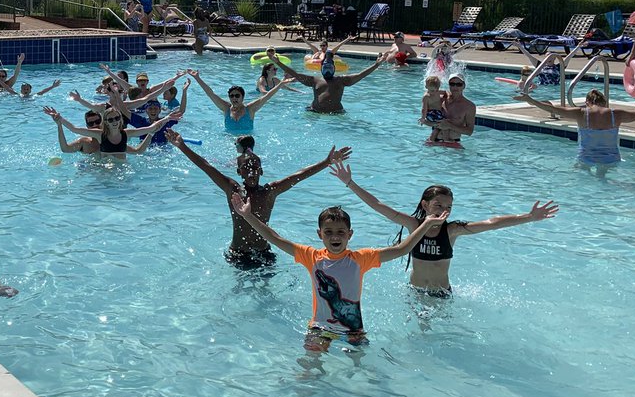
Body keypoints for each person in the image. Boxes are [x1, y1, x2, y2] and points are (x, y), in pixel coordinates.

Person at [229, 195, 447, 351]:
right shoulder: (310, 256)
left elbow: (402, 249)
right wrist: (248, 216)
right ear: (320, 234)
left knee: (361, 376)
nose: (335, 237)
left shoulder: (360, 259)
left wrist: (427, 224)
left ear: (350, 234)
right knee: (308, 369)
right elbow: (275, 239)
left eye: (341, 232)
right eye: (329, 232)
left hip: (354, 331)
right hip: (319, 329)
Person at [330, 158, 560, 293]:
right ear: (425, 204)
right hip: (416, 292)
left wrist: (528, 217)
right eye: (438, 205)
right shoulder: (413, 225)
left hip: (442, 294)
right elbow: (379, 206)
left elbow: (492, 223)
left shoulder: (452, 230)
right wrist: (350, 183)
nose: (443, 210)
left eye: (448, 206)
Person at [168, 131, 351, 269]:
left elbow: (299, 176)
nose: (251, 171)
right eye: (246, 168)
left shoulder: (269, 192)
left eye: (255, 167)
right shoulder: (233, 189)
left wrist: (326, 162)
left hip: (264, 253)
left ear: (261, 171)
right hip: (238, 253)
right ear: (239, 172)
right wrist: (182, 146)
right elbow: (206, 167)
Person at [516, 88, 635, 174]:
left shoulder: (581, 113)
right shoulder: (616, 114)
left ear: (587, 102)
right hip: (611, 159)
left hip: (586, 159)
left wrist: (530, 100)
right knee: (603, 180)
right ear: (604, 102)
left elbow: (553, 110)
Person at [267, 46, 385, 114]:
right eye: (325, 68)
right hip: (315, 112)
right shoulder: (314, 80)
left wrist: (376, 65)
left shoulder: (341, 80)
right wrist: (278, 62)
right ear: (321, 69)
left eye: (330, 68)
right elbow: (295, 74)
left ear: (334, 69)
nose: (328, 71)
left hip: (336, 114)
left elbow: (361, 75)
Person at [58, 105, 178, 157]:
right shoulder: (100, 135)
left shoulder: (126, 133)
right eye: (110, 119)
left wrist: (166, 118)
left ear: (120, 120)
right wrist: (60, 121)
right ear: (106, 122)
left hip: (122, 171)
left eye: (117, 118)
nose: (114, 121)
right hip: (105, 172)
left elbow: (139, 149)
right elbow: (74, 128)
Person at [188, 68, 284, 134]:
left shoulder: (250, 109)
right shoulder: (226, 108)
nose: (234, 98)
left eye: (237, 96)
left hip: (247, 144)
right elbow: (210, 94)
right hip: (229, 142)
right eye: (232, 96)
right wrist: (197, 78)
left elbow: (267, 96)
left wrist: (281, 83)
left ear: (242, 97)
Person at [427, 74, 476, 146]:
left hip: (452, 143)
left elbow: (469, 131)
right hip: (434, 141)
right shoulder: (440, 100)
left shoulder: (469, 106)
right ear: (449, 85)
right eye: (452, 84)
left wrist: (449, 126)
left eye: (458, 84)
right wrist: (435, 124)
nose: (455, 87)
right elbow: (427, 118)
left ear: (464, 86)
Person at [420, 75, 448, 144]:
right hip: (431, 113)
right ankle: (433, 139)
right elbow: (424, 108)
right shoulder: (426, 97)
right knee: (441, 124)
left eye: (437, 90)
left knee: (438, 126)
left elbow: (445, 92)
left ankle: (435, 138)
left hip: (438, 113)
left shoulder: (437, 92)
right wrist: (423, 118)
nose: (434, 92)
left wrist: (445, 99)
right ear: (426, 87)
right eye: (432, 90)